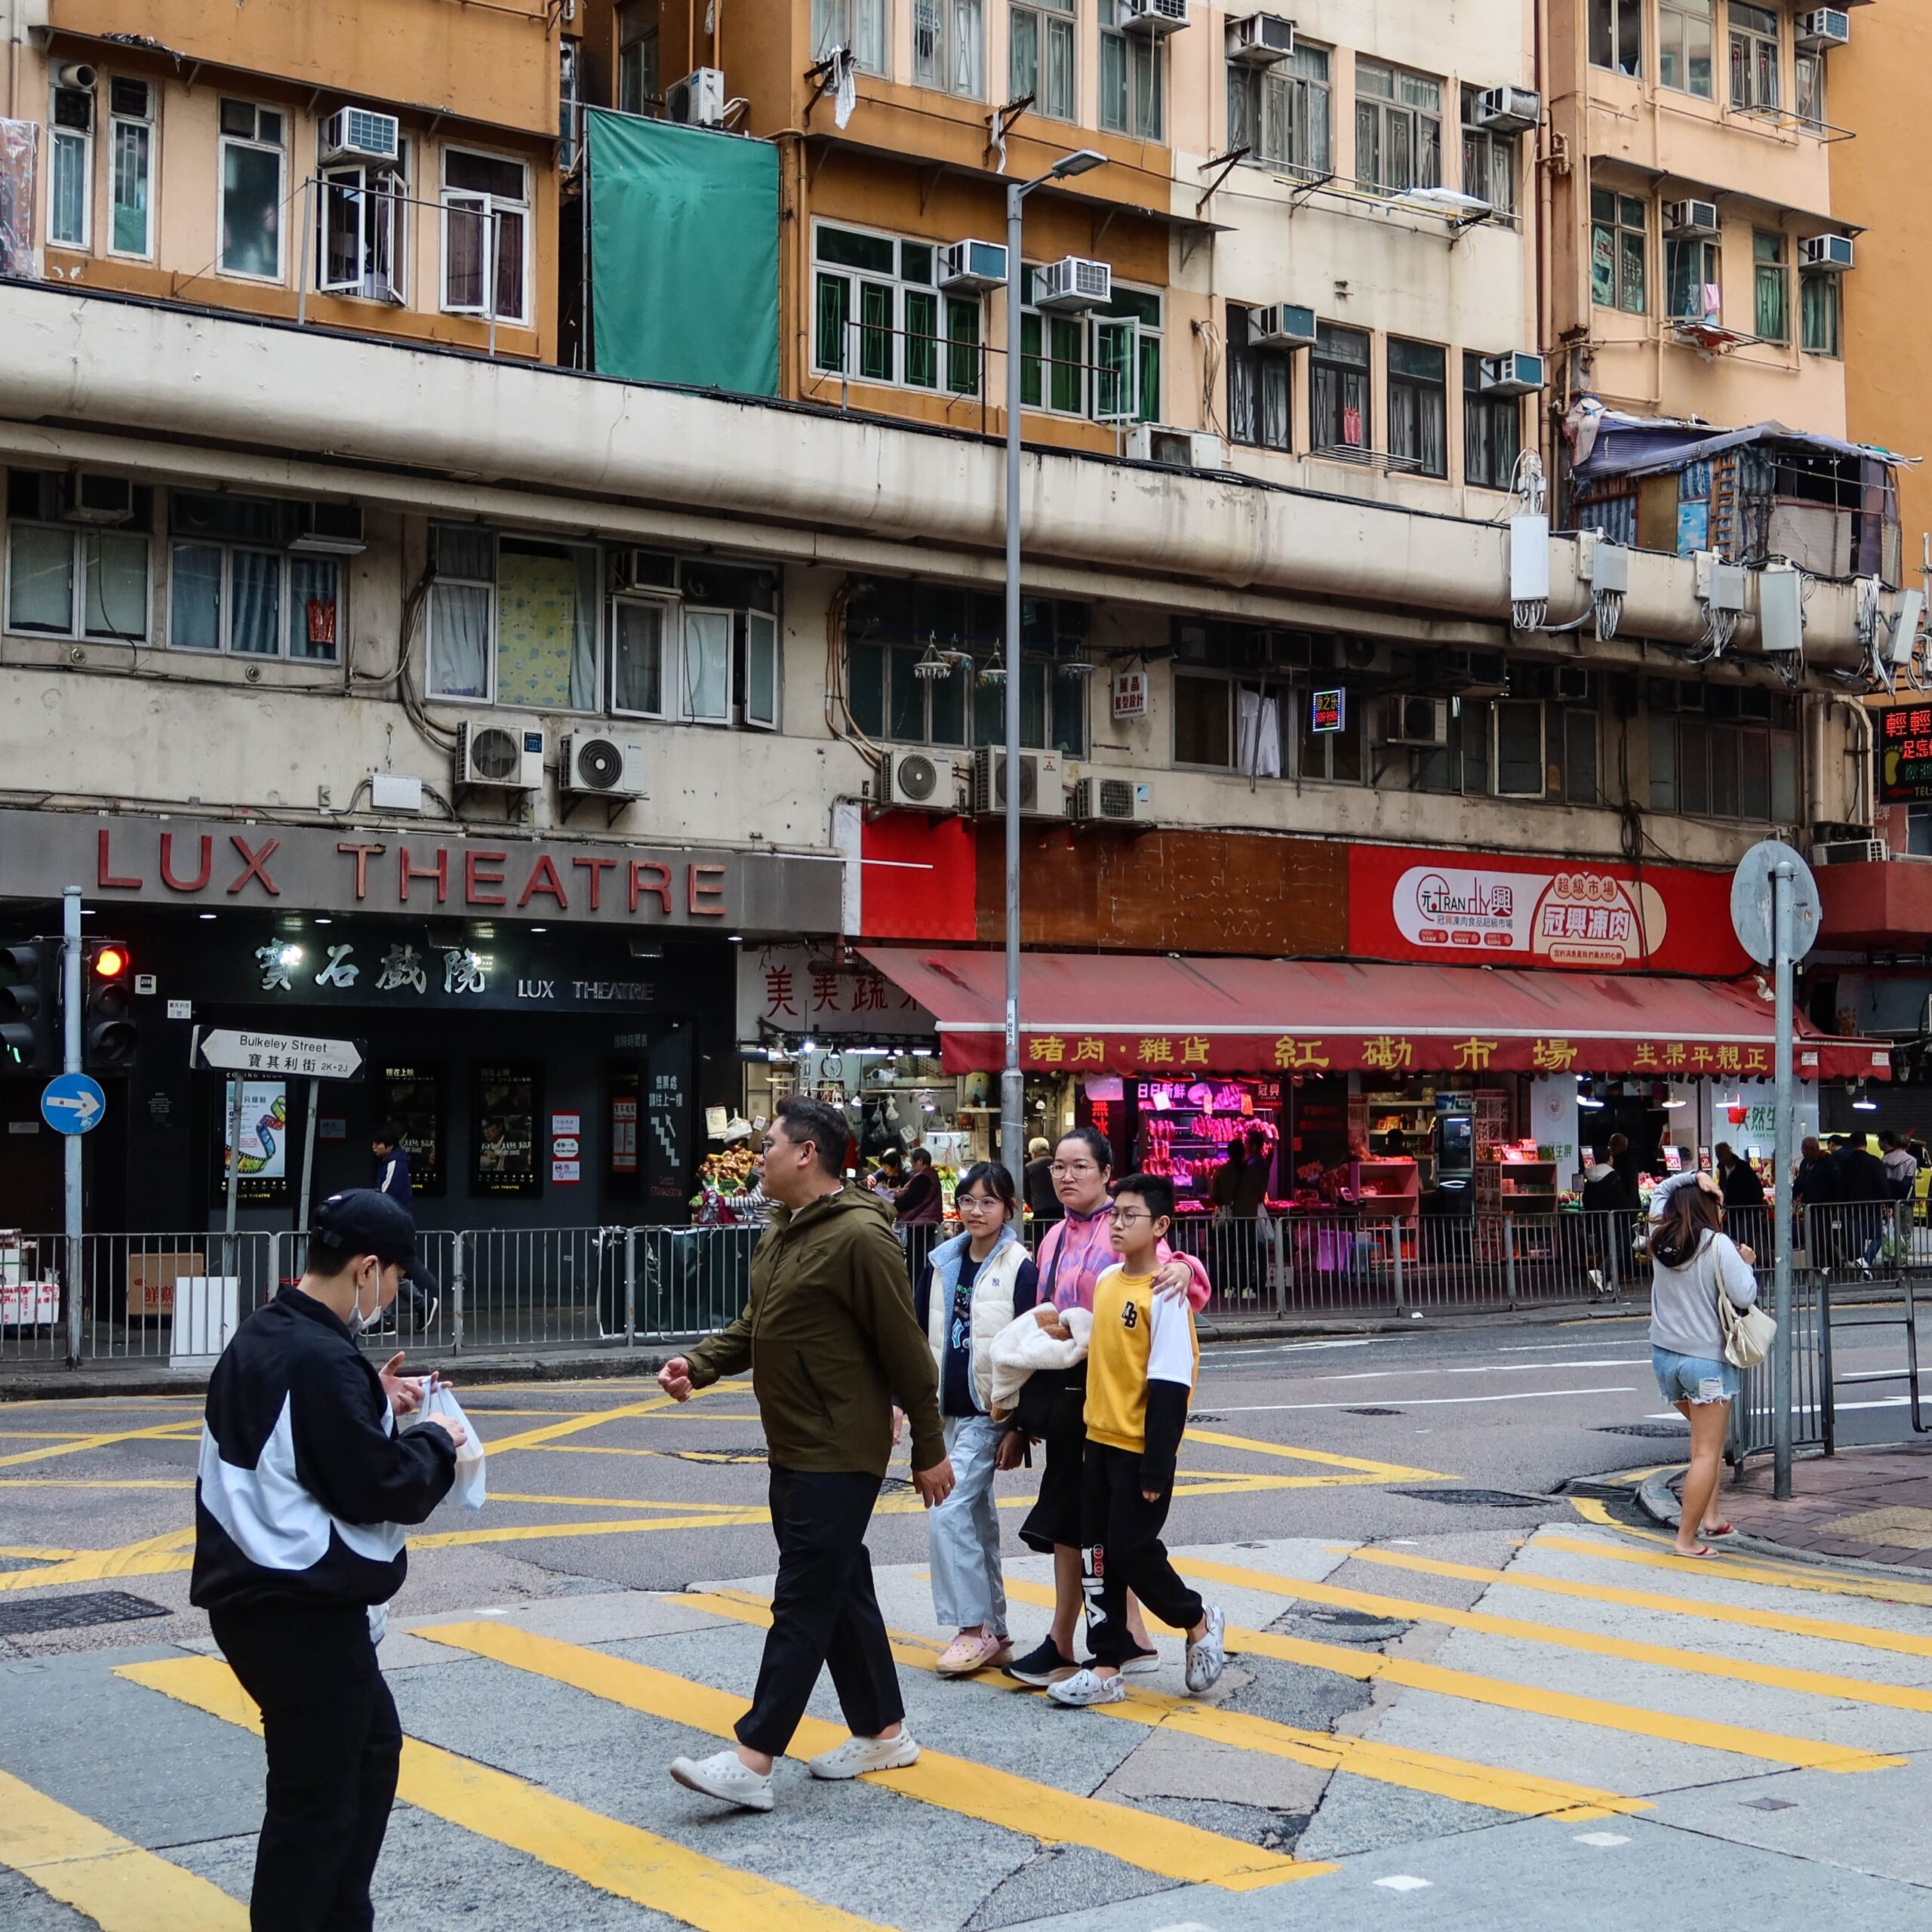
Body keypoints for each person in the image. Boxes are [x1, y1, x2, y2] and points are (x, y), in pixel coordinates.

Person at [657, 1095, 953, 1814]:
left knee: (801, 1599)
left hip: (838, 1449)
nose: (759, 1156)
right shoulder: (783, 1231)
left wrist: (929, 1445)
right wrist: (696, 1365)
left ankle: (754, 1758)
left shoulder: (859, 1236)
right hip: (792, 1443)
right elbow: (758, 1324)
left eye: (768, 1144)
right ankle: (884, 1731)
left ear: (806, 1154)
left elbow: (906, 1349)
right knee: (842, 1588)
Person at [192, 1189, 464, 1932]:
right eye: (396, 1281)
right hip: (295, 1607)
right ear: (366, 1266)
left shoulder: (273, 1332)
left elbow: (304, 1431)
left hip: (260, 1601)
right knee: (316, 1806)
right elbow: (381, 1486)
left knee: (369, 1752)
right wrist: (439, 1439)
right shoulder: (320, 1357)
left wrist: (370, 1396)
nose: (393, 1297)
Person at [1006, 1126, 1211, 1688]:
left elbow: (1169, 1282)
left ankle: (1094, 1643)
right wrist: (1022, 1417)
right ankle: (1113, 1649)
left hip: (1123, 1416)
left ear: (1104, 1173)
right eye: (1058, 1168)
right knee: (1086, 1533)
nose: (1066, 1177)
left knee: (1110, 1539)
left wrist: (1188, 1267)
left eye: (1079, 1167)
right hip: (1075, 1404)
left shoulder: (1129, 1242)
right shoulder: (1053, 1241)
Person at [1046, 1173, 1226, 1707]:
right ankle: (1103, 1666)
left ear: (1161, 1226)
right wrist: (1089, 1435)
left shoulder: (1165, 1294)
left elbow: (1171, 1385)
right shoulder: (1106, 1284)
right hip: (1098, 1443)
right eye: (1114, 1216)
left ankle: (1196, 1619)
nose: (1118, 1225)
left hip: (1139, 1450)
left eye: (1131, 1217)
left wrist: (1156, 1464)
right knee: (1096, 1556)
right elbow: (1104, 1367)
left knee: (1131, 1549)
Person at [912, 1161, 1039, 1677]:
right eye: (968, 1200)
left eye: (989, 1201)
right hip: (947, 1412)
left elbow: (1032, 1350)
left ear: (1010, 1208)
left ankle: (972, 1629)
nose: (976, 1210)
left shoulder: (1021, 1267)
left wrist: (1019, 1428)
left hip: (992, 1413)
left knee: (947, 1510)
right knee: (976, 1519)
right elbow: (921, 1338)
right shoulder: (940, 1262)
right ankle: (996, 1630)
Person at [1645, 1171, 1759, 1558]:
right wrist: (1746, 1263)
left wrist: (1693, 1176)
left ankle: (1711, 1516)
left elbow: (1660, 1190)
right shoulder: (1717, 1245)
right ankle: (1686, 1539)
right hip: (1706, 1363)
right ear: (1711, 1209)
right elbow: (1745, 1293)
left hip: (1665, 1360)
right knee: (1708, 1453)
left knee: (1702, 1443)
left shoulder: (1658, 1233)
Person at [369, 1124, 438, 1334]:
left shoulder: (394, 1165)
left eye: (377, 1144)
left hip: (392, 1224)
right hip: (394, 1223)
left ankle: (386, 1320)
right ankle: (418, 1307)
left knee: (386, 1269)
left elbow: (386, 1196)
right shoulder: (391, 1162)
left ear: (388, 1146)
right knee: (390, 1271)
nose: (374, 1147)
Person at [1832, 1133, 1892, 1275]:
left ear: (1852, 1144)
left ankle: (1862, 1266)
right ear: (1866, 1143)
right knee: (1879, 1236)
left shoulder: (1846, 1163)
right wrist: (1888, 1203)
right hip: (1872, 1207)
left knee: (1857, 1239)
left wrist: (1840, 1203)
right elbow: (1883, 1184)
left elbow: (1840, 1185)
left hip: (1851, 1207)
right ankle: (1866, 1260)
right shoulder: (1874, 1161)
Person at [1881, 1131, 1920, 1265]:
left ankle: (1888, 1260)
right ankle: (1901, 1261)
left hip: (1889, 1202)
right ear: (1908, 1146)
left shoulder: (1884, 1160)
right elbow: (1907, 1182)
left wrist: (1888, 1201)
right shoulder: (1911, 1161)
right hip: (1904, 1201)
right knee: (1905, 1233)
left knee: (1889, 1232)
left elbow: (1884, 1182)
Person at [1023, 1137, 1063, 1228]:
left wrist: (1033, 1205)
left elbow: (1026, 1192)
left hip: (1040, 1211)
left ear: (1034, 1152)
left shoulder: (1029, 1168)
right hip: (1061, 1211)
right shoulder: (1059, 1165)